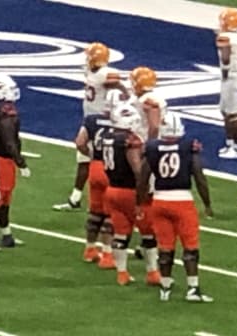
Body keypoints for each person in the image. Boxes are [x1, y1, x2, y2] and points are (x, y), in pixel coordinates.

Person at [138, 111, 214, 302]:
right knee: (190, 246)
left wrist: (139, 202)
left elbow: (143, 178)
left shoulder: (153, 147)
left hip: (160, 200)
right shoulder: (188, 146)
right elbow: (198, 175)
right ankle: (192, 288)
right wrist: (207, 203)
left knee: (165, 246)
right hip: (182, 201)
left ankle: (165, 287)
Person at [53, 42, 125, 211]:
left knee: (104, 160)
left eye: (89, 56)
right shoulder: (92, 71)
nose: (87, 59)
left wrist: (123, 104)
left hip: (103, 121)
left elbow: (120, 89)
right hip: (90, 119)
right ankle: (76, 197)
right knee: (83, 159)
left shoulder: (106, 74)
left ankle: (113, 198)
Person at [102, 104, 160, 286]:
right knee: (148, 233)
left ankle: (122, 273)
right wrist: (145, 189)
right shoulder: (130, 140)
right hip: (130, 191)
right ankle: (152, 272)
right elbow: (137, 168)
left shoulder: (107, 137)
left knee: (120, 233)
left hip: (112, 189)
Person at [75, 89, 127, 269]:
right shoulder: (121, 121)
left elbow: (80, 142)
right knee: (110, 214)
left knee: (94, 211)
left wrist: (91, 155)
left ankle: (89, 249)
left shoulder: (91, 119)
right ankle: (106, 253)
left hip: (95, 166)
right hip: (111, 169)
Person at [0, 74, 30, 247]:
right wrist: (21, 161)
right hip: (0, 160)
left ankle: (6, 235)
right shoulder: (5, 111)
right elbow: (9, 139)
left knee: (3, 200)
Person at [215, 8, 237, 159]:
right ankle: (230, 143)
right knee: (225, 111)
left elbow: (226, 57)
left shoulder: (226, 37)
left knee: (231, 114)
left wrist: (225, 72)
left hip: (231, 77)